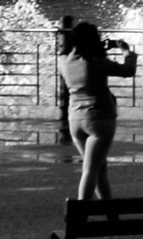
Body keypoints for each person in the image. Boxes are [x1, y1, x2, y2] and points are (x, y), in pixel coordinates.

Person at [58, 22, 137, 201]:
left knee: (99, 168)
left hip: (75, 119)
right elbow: (128, 70)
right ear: (93, 41)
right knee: (90, 170)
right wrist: (126, 52)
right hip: (99, 119)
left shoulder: (63, 60)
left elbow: (79, 56)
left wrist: (99, 48)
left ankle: (111, 215)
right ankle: (80, 217)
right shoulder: (97, 62)